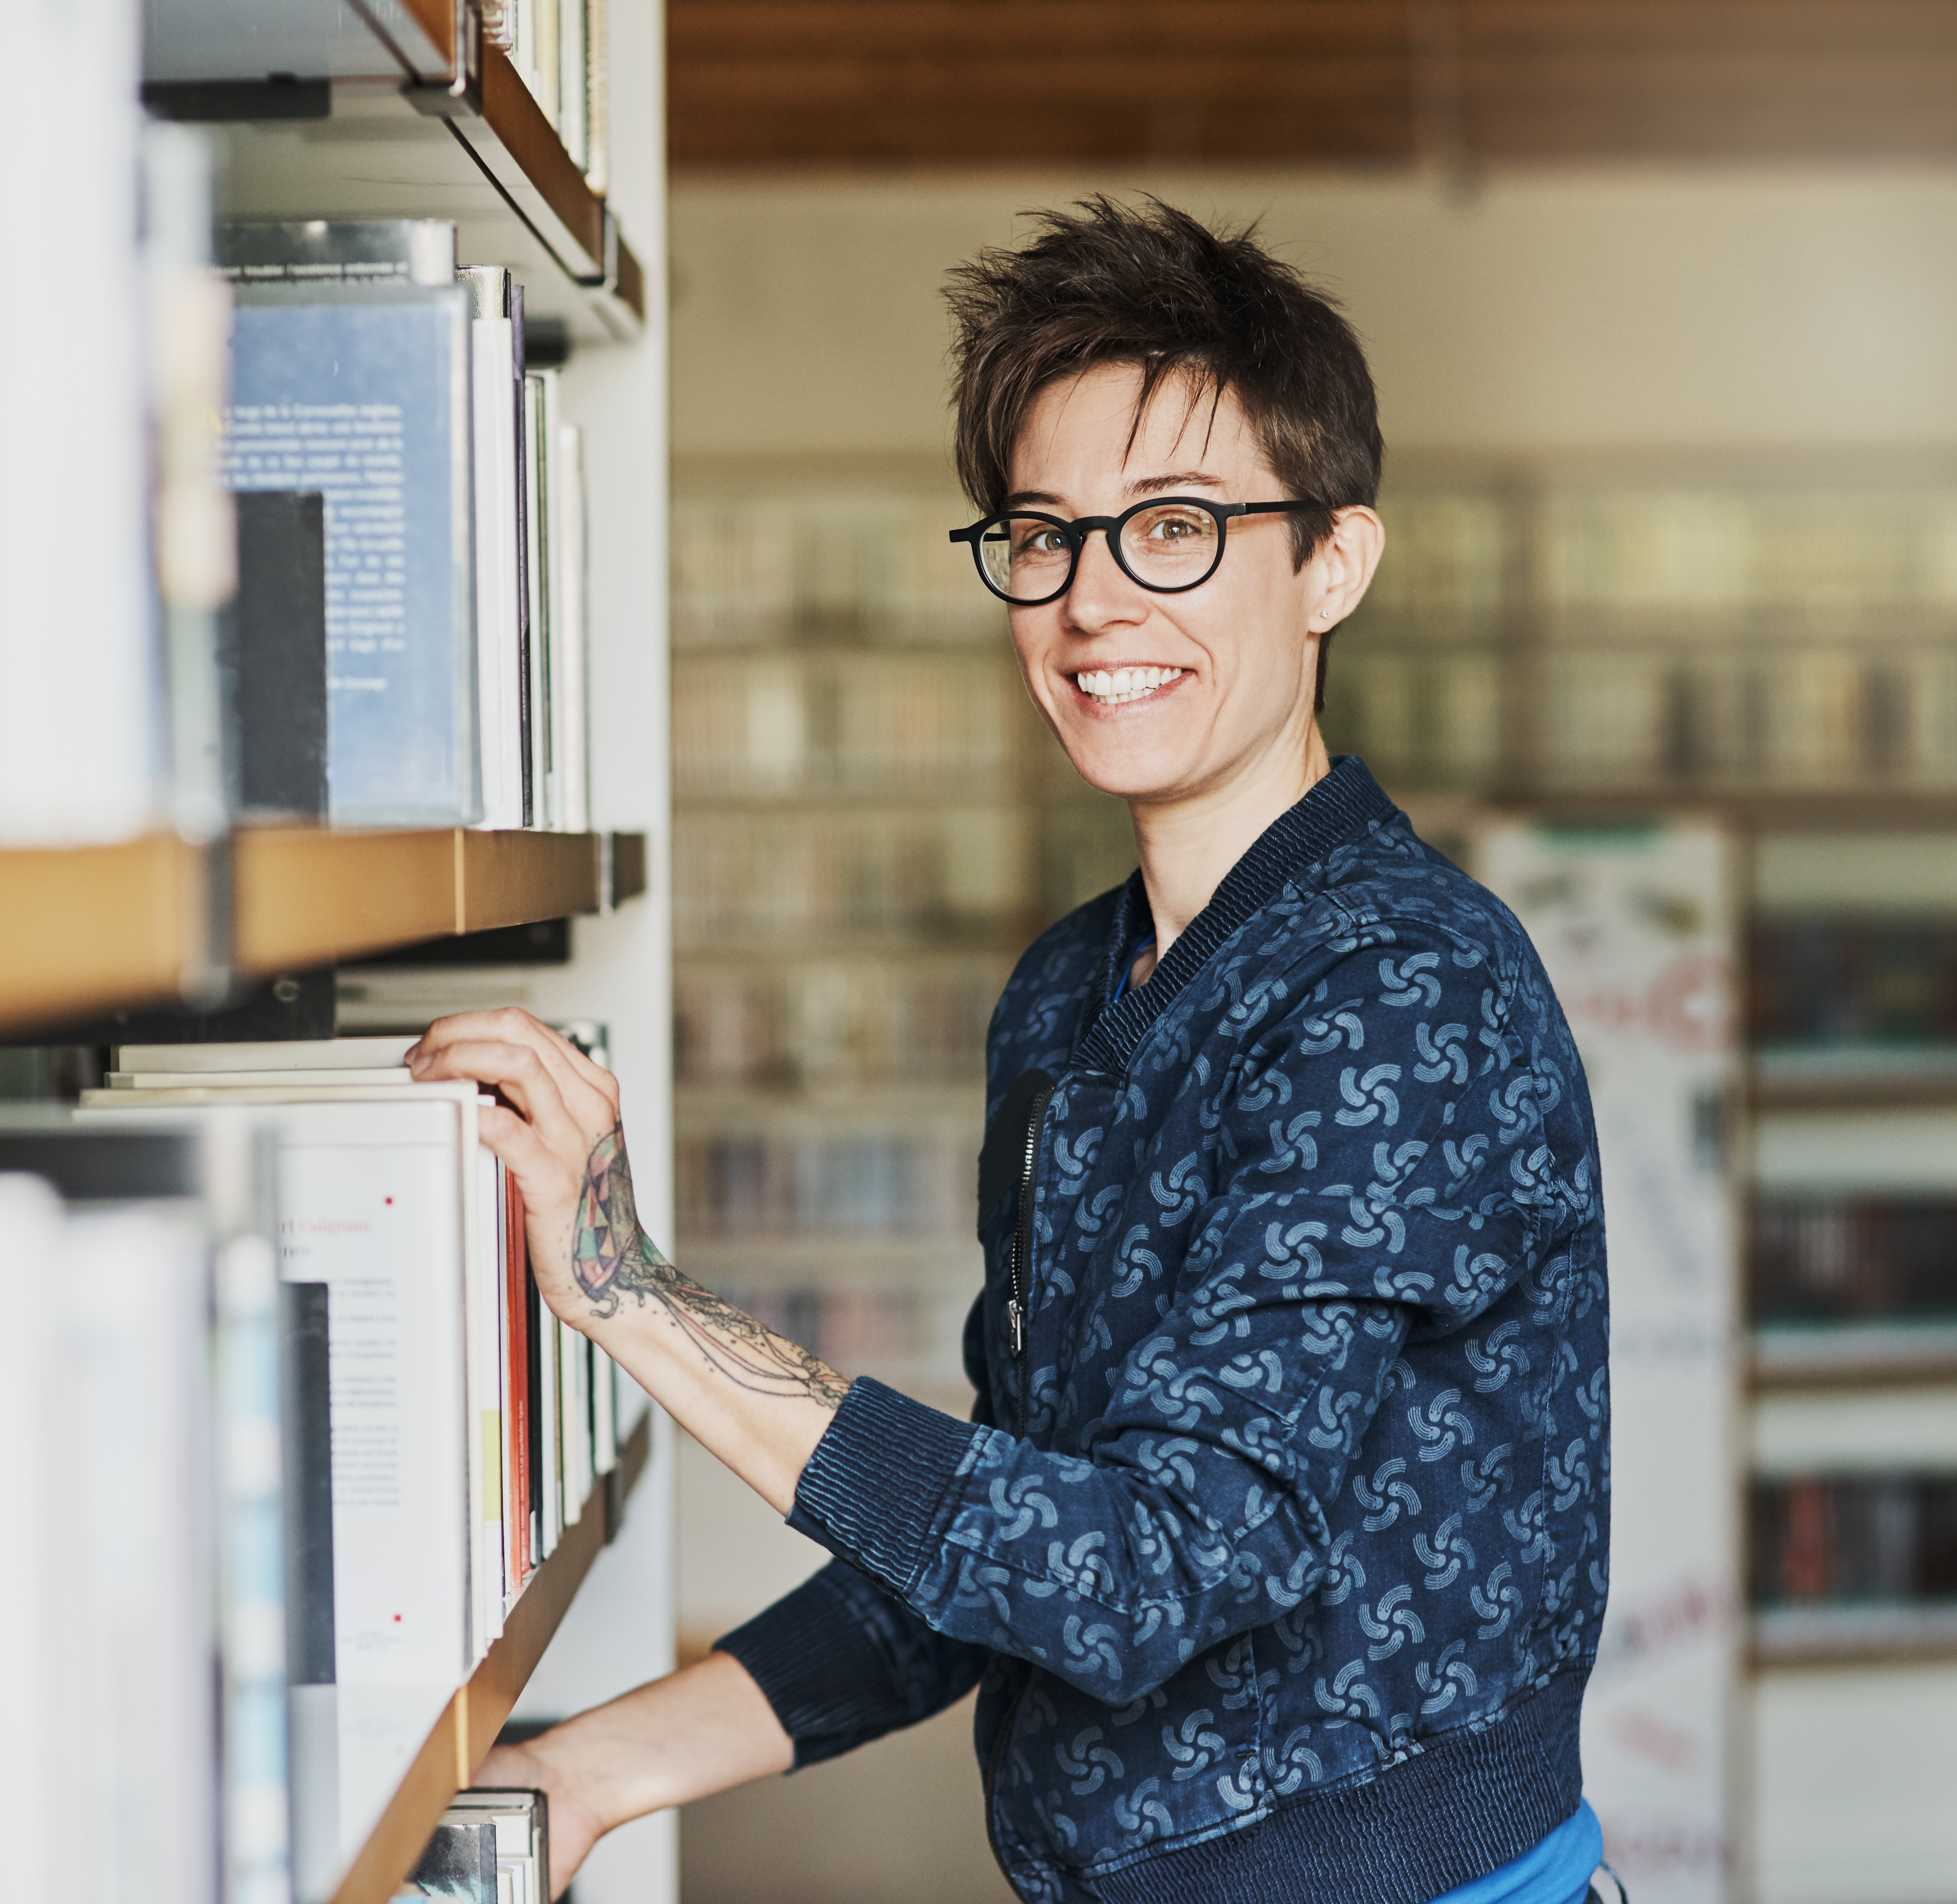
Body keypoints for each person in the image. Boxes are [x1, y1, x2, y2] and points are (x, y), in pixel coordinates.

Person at [410, 197, 1616, 1904]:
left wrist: (622, 1285)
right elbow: (994, 1541)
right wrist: (591, 1773)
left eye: (1178, 526)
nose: (1096, 601)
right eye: (1046, 535)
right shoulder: (1067, 995)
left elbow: (1147, 1568)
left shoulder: (1408, 992)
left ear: (1333, 561)